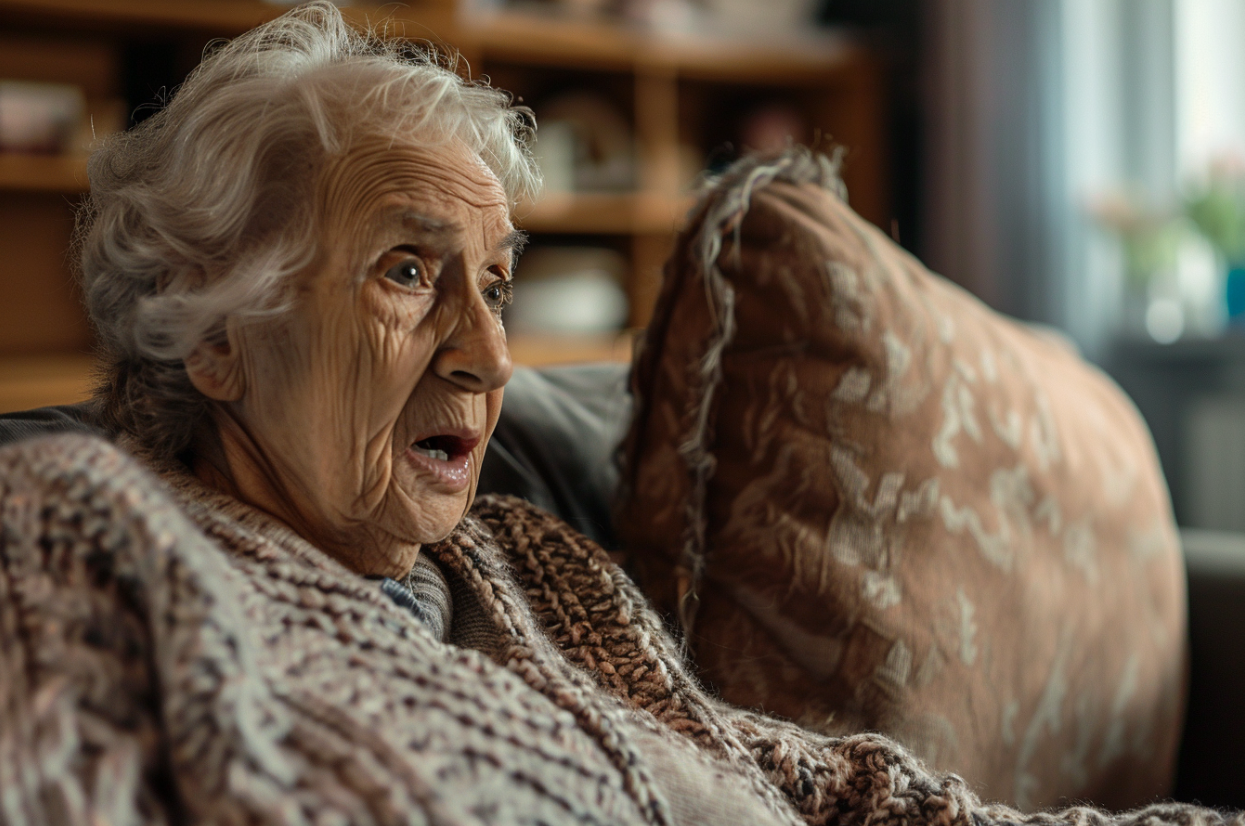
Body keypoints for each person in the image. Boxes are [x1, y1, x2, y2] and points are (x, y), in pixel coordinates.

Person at [0, 4, 1237, 824]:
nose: (490, 356)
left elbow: (798, 776)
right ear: (214, 336)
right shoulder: (82, 535)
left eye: (495, 283)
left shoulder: (521, 559)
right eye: (407, 271)